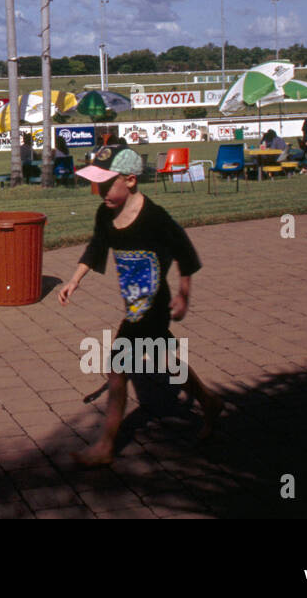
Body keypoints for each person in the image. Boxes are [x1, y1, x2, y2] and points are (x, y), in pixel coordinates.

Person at [56, 144, 222, 466]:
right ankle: (209, 402)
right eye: (97, 184)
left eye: (106, 184)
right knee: (163, 359)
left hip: (152, 305)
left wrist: (183, 294)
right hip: (133, 302)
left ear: (130, 180)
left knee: (117, 367)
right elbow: (96, 246)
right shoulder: (105, 214)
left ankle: (105, 445)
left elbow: (185, 252)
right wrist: (75, 280)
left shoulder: (155, 218)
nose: (99, 191)